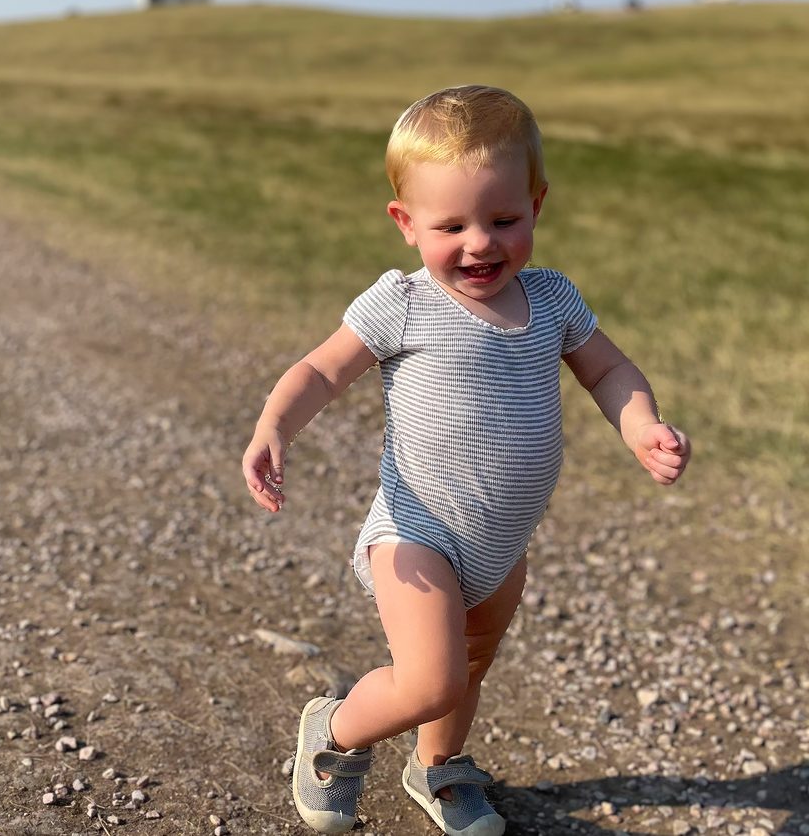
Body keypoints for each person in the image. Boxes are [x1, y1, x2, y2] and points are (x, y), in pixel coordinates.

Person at [241, 85, 690, 836]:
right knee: (431, 676)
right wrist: (273, 428)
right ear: (405, 224)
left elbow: (610, 372)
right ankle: (333, 730)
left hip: (500, 540)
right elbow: (320, 371)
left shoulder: (551, 300)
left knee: (469, 669)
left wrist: (640, 424)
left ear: (536, 207)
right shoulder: (403, 304)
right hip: (417, 534)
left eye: (503, 220)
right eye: (452, 225)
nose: (480, 243)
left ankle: (438, 767)